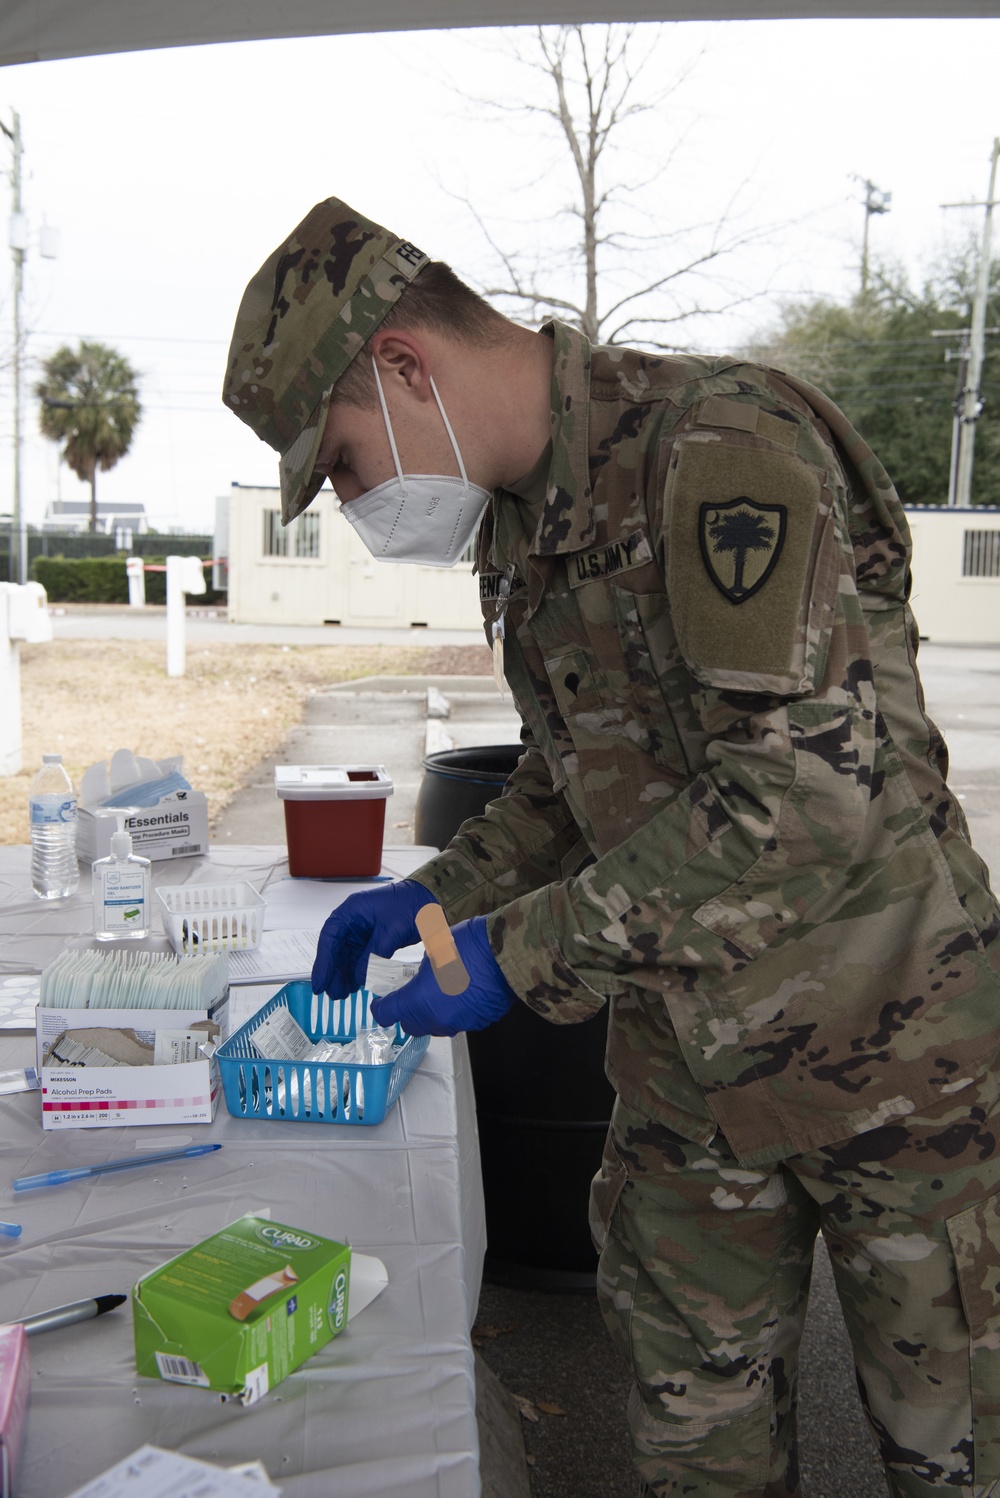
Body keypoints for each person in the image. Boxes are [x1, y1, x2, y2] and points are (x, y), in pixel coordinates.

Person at [224, 196, 1000, 1498]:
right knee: (698, 1451)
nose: (353, 502)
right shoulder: (523, 524)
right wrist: (437, 891)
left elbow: (798, 802)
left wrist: (516, 952)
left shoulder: (722, 449)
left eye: (345, 463)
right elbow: (571, 774)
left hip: (891, 1055)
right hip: (690, 1066)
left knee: (955, 1446)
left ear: (407, 367)